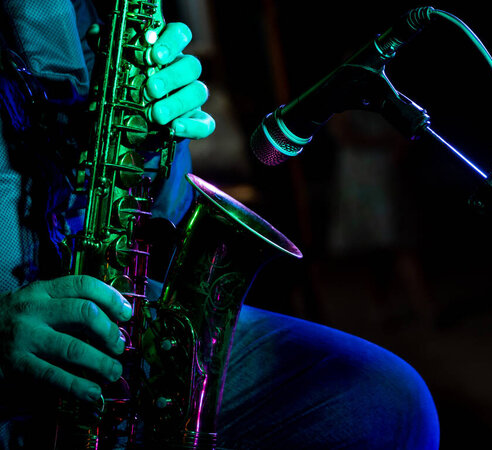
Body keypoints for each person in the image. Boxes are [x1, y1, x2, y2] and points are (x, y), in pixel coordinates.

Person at [0, 1, 440, 448]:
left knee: (387, 402)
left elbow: (158, 213)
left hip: (107, 304)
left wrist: (155, 141)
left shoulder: (83, 11)